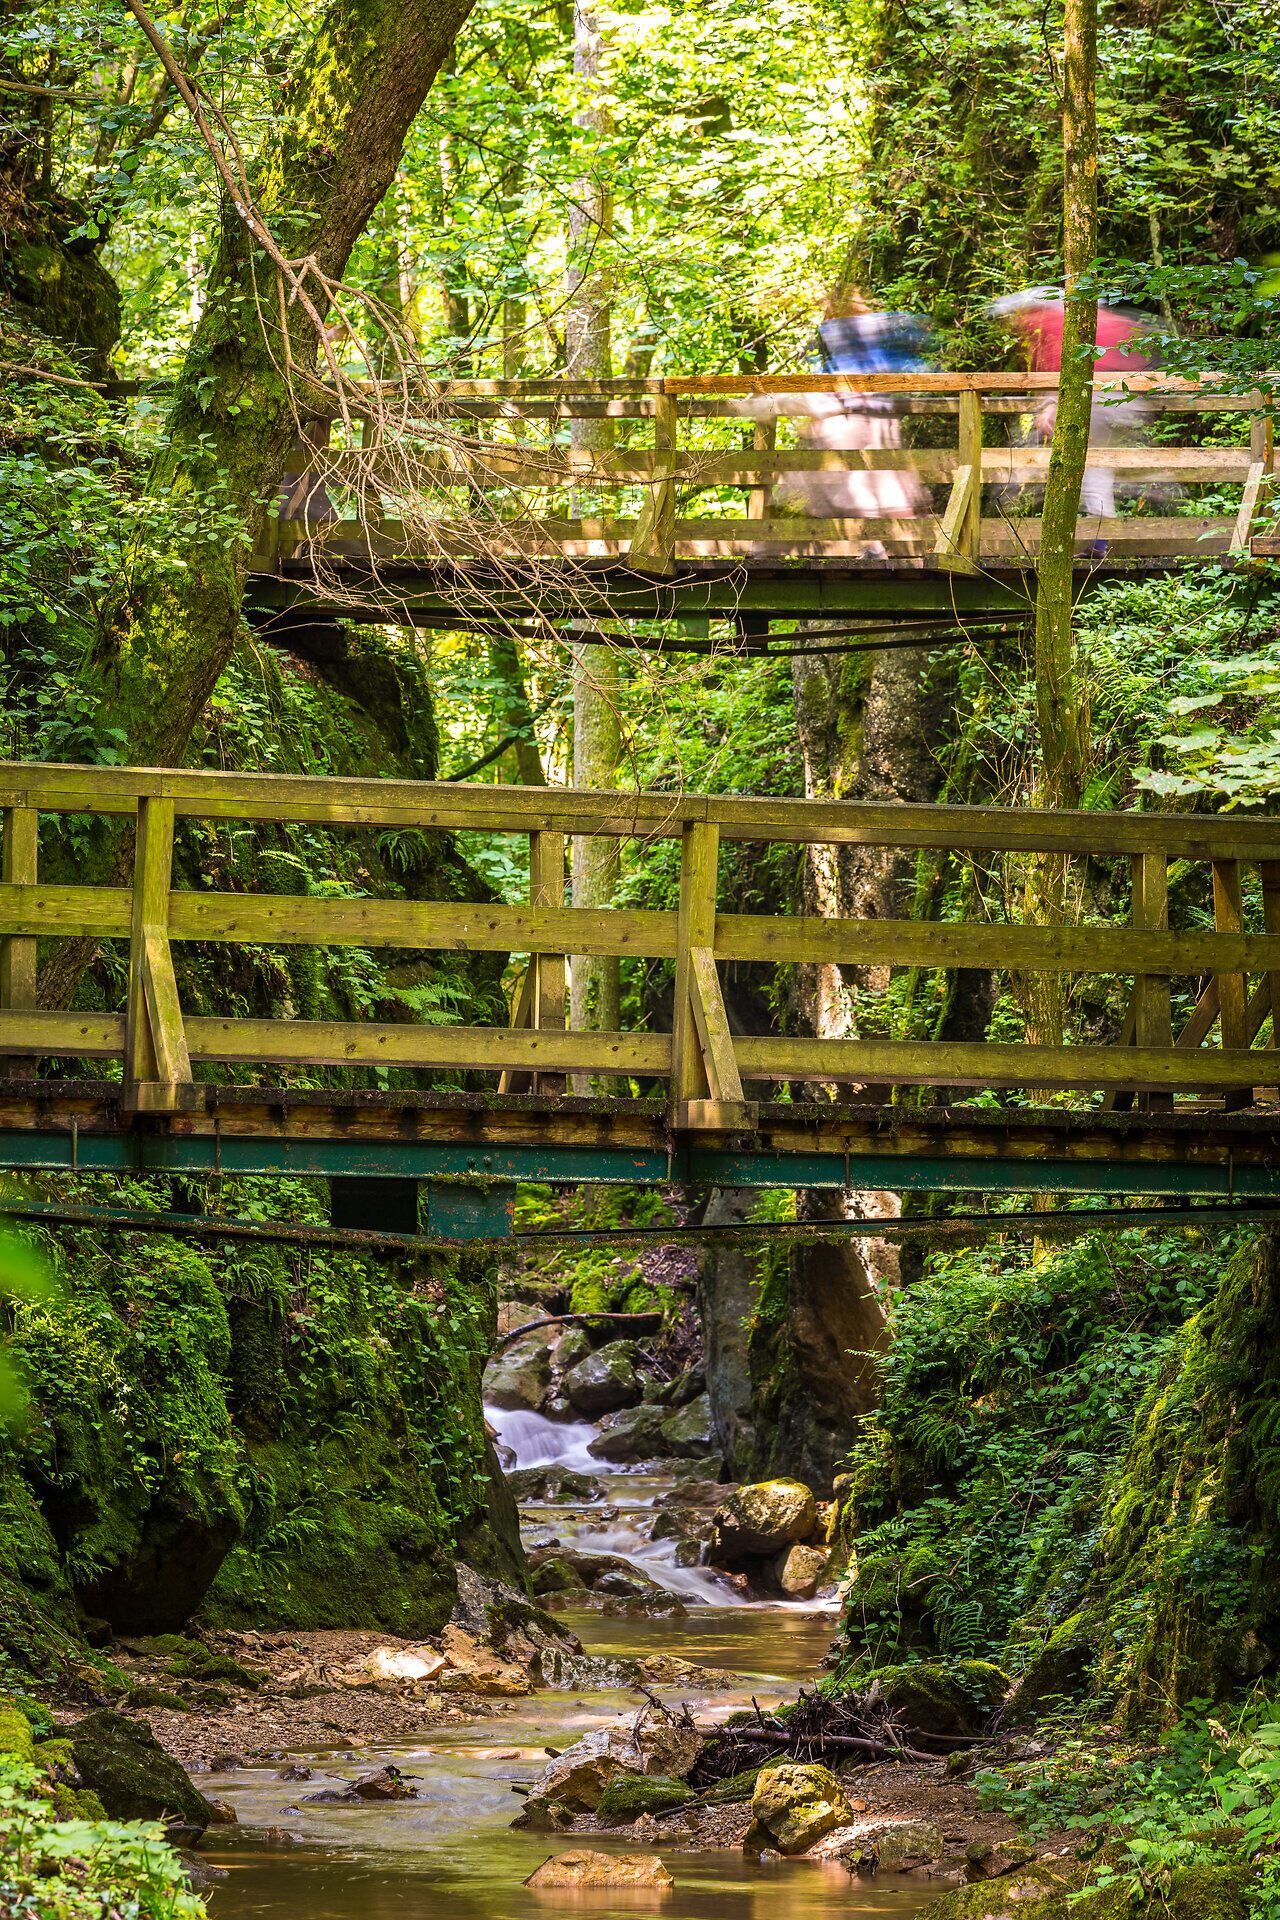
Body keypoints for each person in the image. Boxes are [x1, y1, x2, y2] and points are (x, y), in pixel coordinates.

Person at [751, 292, 933, 543]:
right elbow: (917, 329)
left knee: (854, 487)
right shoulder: (877, 326)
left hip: (845, 416)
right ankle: (904, 547)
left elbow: (821, 375)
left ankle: (770, 543)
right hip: (878, 415)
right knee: (885, 486)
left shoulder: (830, 332)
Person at [989, 288, 1158, 521]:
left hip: (1097, 401)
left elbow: (1058, 368)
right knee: (1095, 463)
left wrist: (1050, 404)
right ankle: (1101, 530)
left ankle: (1017, 493)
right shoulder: (1113, 323)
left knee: (1067, 456)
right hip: (1122, 402)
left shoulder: (1061, 326)